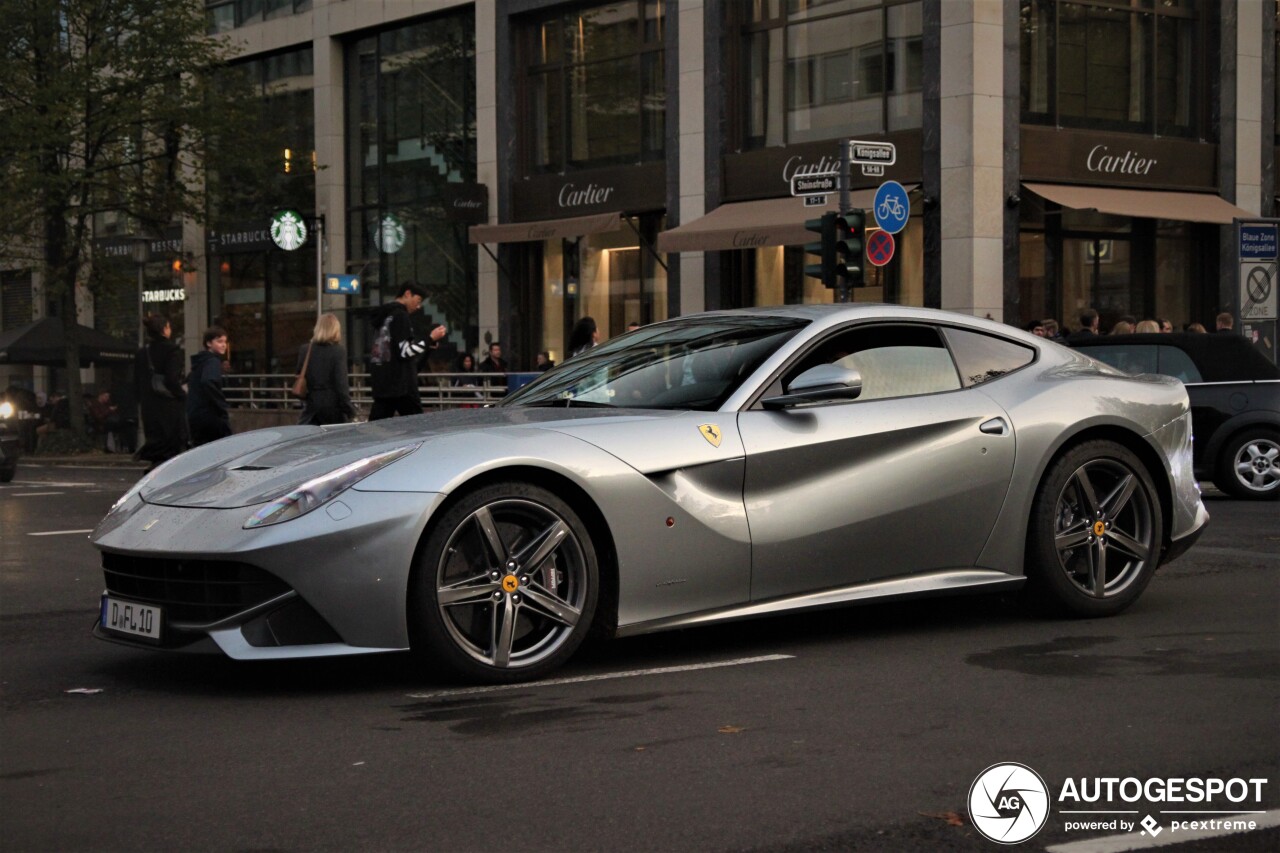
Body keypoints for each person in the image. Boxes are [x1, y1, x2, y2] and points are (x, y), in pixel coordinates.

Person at [368, 283, 446, 420]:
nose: (418, 306)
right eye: (418, 300)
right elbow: (405, 352)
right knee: (419, 430)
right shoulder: (401, 316)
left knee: (375, 430)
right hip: (401, 387)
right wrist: (430, 338)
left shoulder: (383, 317)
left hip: (382, 383)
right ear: (408, 294)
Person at [135, 314, 187, 470]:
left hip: (149, 406)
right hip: (168, 405)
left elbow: (136, 380)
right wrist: (182, 395)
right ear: (165, 329)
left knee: (155, 444)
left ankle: (153, 475)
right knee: (171, 445)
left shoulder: (143, 352)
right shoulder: (173, 350)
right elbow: (171, 379)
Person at [298, 313, 357, 426]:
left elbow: (299, 374)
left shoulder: (305, 350)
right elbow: (341, 383)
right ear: (335, 330)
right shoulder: (338, 351)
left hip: (312, 405)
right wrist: (350, 408)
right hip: (333, 407)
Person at [187, 326, 232, 447]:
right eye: (219, 341)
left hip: (197, 414)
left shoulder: (200, 362)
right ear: (209, 343)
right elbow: (209, 381)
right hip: (210, 416)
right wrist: (221, 405)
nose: (223, 345)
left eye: (225, 342)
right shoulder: (212, 361)